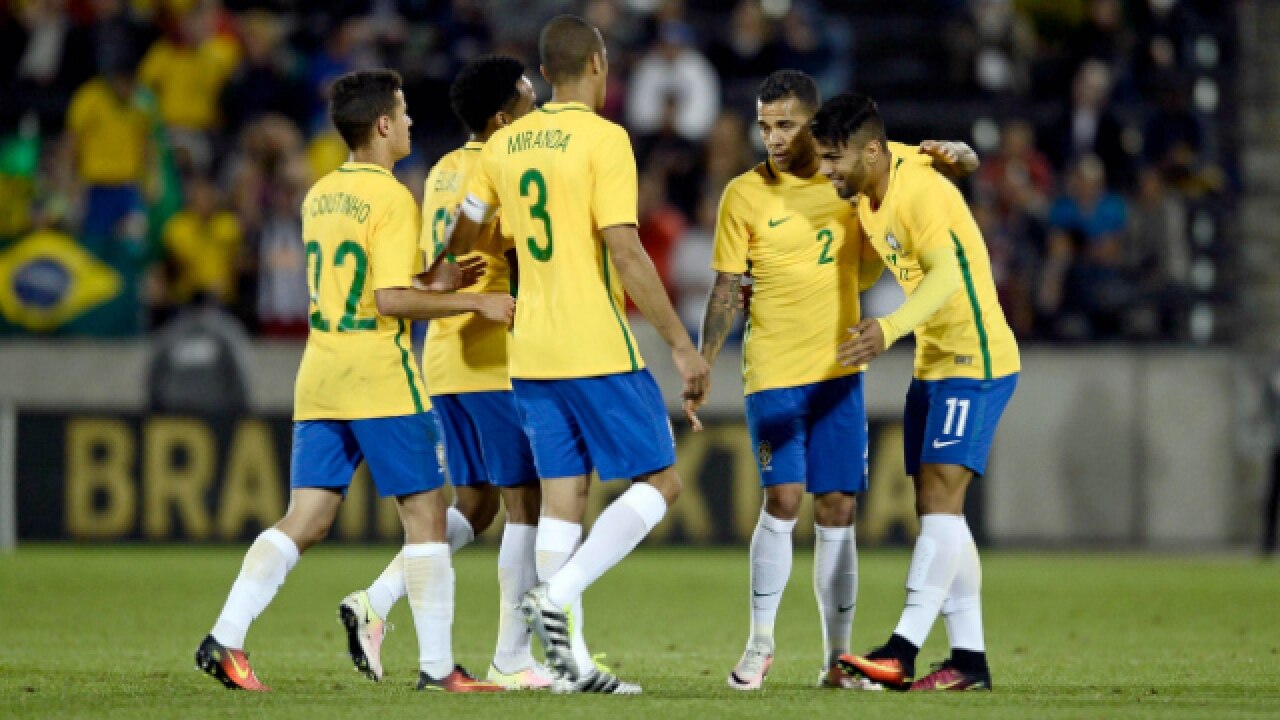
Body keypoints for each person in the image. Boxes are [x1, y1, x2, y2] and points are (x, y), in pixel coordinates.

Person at [194, 69, 514, 693]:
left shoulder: (318, 195)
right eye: (405, 113)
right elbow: (387, 302)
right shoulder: (394, 197)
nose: (413, 123)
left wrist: (433, 281)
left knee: (306, 519)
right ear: (384, 125)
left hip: (320, 374)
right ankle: (438, 668)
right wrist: (470, 304)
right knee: (427, 517)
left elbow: (363, 285)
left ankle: (226, 637)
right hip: (379, 374)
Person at [444, 14, 710, 695]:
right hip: (593, 342)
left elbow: (469, 240)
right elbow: (624, 249)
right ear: (597, 62)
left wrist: (483, 213)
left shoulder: (503, 147)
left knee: (566, 498)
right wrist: (681, 345)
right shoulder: (606, 138)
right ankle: (557, 594)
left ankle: (571, 668)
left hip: (529, 351)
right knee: (661, 484)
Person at [696, 69, 979, 692]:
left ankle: (838, 660)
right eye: (765, 125)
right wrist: (704, 358)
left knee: (839, 508)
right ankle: (760, 642)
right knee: (785, 499)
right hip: (773, 373)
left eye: (786, 125)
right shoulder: (742, 195)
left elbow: (918, 174)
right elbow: (726, 288)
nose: (772, 138)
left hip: (839, 375)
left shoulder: (847, 182)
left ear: (816, 122)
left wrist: (960, 155)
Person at [338, 54, 553, 691]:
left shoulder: (440, 171)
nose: (536, 103)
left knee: (479, 505)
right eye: (526, 95)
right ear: (502, 116)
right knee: (528, 502)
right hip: (491, 356)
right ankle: (513, 659)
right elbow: (522, 246)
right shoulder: (504, 169)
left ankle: (374, 602)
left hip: (444, 359)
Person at [811, 92, 1020, 692]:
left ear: (870, 151)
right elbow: (946, 161)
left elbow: (947, 273)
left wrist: (887, 329)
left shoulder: (916, 194)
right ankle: (970, 661)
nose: (828, 171)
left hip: (974, 357)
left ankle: (901, 650)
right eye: (823, 159)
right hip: (934, 360)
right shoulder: (881, 176)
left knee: (942, 498)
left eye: (835, 159)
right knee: (937, 510)